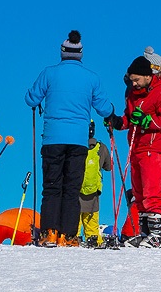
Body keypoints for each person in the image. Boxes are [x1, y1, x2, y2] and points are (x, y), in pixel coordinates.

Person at [25, 30, 115, 248]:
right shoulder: (91, 77)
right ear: (81, 54)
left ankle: (49, 233)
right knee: (72, 188)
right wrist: (113, 113)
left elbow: (31, 98)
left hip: (53, 139)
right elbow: (104, 108)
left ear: (62, 52)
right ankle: (69, 235)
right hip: (78, 141)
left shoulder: (49, 73)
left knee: (52, 186)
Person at [105, 56, 161, 248]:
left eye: (137, 79)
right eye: (132, 80)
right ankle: (143, 231)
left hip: (153, 147)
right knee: (138, 192)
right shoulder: (133, 93)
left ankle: (157, 234)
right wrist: (118, 122)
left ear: (147, 75)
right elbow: (129, 118)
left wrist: (147, 120)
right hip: (135, 147)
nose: (134, 83)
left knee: (152, 190)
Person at [78, 121, 113, 247]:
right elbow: (109, 167)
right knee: (92, 223)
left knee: (74, 222)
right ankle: (94, 242)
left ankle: (74, 240)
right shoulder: (101, 148)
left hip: (75, 192)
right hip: (93, 194)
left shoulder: (74, 147)